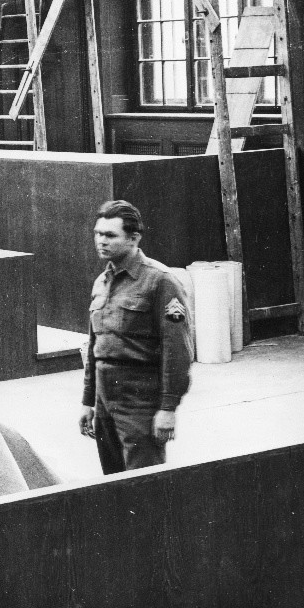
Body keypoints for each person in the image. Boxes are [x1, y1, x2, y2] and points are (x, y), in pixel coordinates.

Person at [79, 199, 193, 474]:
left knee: (144, 483)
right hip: (105, 399)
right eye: (97, 233)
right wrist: (87, 401)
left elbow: (176, 350)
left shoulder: (159, 281)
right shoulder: (102, 281)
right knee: (113, 480)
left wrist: (168, 408)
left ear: (134, 238)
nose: (101, 241)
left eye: (109, 235)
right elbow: (96, 346)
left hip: (139, 398)